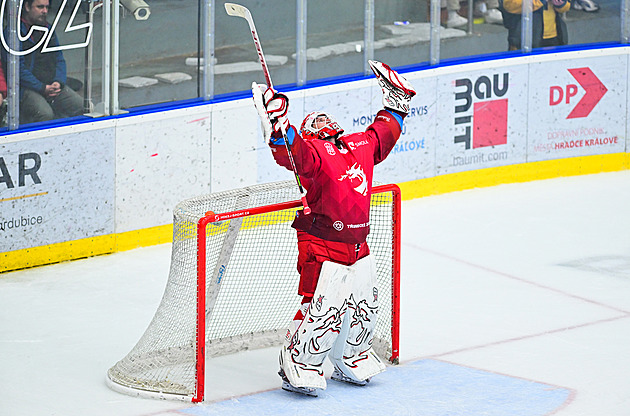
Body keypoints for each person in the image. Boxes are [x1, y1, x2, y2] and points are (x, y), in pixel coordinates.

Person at [252, 61, 416, 397]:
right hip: (322, 241)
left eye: (326, 116)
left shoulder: (357, 144)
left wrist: (396, 105)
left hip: (358, 243)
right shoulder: (313, 151)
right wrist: (279, 127)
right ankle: (299, 362)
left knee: (365, 305)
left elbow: (382, 134)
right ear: (308, 131)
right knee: (323, 307)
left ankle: (351, 354)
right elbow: (292, 155)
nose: (323, 118)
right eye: (315, 119)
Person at [2, 0, 83, 123]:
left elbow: (59, 58)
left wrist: (58, 82)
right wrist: (41, 87)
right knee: (44, 114)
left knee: (82, 106)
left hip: (50, 84)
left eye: (47, 7)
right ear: (27, 7)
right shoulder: (13, 32)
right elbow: (16, 69)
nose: (45, 11)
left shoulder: (47, 29)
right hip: (25, 88)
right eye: (40, 7)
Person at [499, 0, 569, 50]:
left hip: (554, 37)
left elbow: (566, 6)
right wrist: (539, 1)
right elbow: (510, 6)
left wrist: (560, 4)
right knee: (521, 68)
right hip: (524, 39)